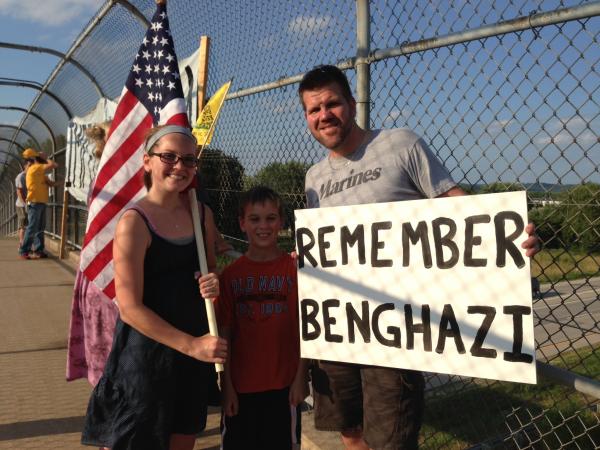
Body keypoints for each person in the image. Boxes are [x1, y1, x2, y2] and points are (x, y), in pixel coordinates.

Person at [298, 65, 540, 450]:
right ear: (307, 117)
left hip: (394, 328)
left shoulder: (400, 144)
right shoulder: (314, 177)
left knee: (391, 439)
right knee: (350, 429)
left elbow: (455, 208)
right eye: (314, 109)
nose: (324, 114)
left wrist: (505, 233)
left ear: (351, 103)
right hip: (341, 324)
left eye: (332, 103)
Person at [81, 125, 228, 450]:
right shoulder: (134, 221)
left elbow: (211, 273)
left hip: (191, 360)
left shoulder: (201, 214)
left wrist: (212, 283)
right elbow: (130, 307)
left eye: (189, 160)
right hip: (145, 361)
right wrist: (192, 345)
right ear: (147, 161)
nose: (180, 166)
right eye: (169, 157)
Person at [216, 186, 309, 449]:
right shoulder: (231, 276)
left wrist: (302, 376)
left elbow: (306, 328)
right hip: (241, 388)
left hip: (284, 387)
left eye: (271, 218)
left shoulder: (295, 270)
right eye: (255, 219)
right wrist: (227, 386)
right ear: (242, 223)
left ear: (281, 222)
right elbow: (225, 334)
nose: (263, 226)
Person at [67, 122, 119, 386]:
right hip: (107, 273)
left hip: (100, 271)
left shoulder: (105, 179)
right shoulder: (112, 182)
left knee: (108, 351)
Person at [18, 148, 59, 260]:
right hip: (35, 203)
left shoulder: (38, 171)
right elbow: (54, 165)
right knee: (32, 227)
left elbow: (49, 182)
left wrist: (62, 183)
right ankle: (24, 250)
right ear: (35, 158)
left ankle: (39, 250)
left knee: (40, 228)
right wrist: (45, 158)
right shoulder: (35, 168)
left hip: (40, 202)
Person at [14, 157, 32, 250]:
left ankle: (27, 244)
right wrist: (25, 204)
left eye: (32, 165)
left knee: (29, 225)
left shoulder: (32, 176)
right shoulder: (21, 176)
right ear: (25, 166)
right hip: (21, 204)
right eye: (29, 165)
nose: (30, 167)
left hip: (30, 203)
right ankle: (21, 244)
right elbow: (19, 192)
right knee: (23, 224)